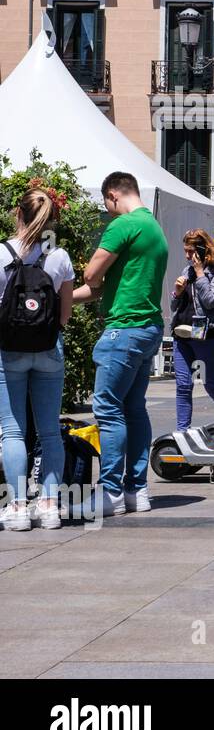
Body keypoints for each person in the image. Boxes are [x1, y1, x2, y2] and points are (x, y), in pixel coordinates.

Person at [72, 172, 169, 517]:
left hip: (122, 332)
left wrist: (89, 278)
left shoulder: (123, 225)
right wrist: (61, 300)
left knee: (108, 410)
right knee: (134, 409)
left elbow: (89, 274)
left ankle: (110, 493)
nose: (109, 212)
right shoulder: (154, 228)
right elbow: (100, 288)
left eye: (107, 206)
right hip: (148, 329)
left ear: (113, 195)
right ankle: (136, 491)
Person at [0, 188, 75, 531]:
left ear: (18, 214)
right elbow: (65, 315)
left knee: (13, 432)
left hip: (9, 350)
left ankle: (16, 507)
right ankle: (48, 506)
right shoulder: (58, 256)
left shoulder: (1, 253)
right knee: (49, 432)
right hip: (49, 350)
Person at [169, 229, 214, 432]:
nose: (187, 256)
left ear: (202, 249)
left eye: (190, 251)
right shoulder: (186, 271)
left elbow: (210, 300)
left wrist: (199, 274)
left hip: (206, 334)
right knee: (183, 386)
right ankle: (182, 432)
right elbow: (174, 307)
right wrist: (177, 293)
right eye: (185, 251)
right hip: (182, 333)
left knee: (210, 384)